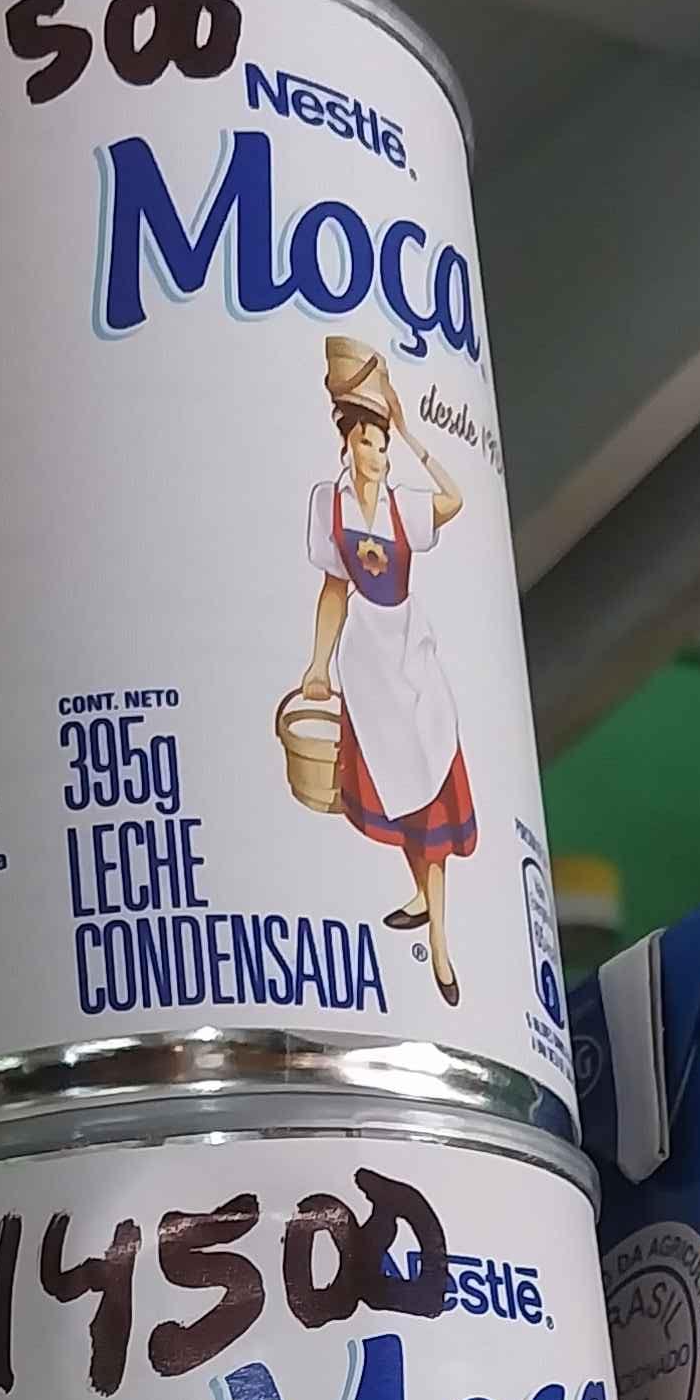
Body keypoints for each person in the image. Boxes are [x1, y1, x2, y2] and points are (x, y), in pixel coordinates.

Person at [299, 340, 474, 1007]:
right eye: (369, 441)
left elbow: (456, 499)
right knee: (400, 792)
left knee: (431, 791)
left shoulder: (405, 506)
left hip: (410, 654)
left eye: (383, 443)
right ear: (347, 443)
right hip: (366, 663)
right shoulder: (330, 504)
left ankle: (442, 945)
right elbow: (333, 589)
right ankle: (420, 898)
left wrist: (409, 430)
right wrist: (317, 666)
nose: (378, 453)